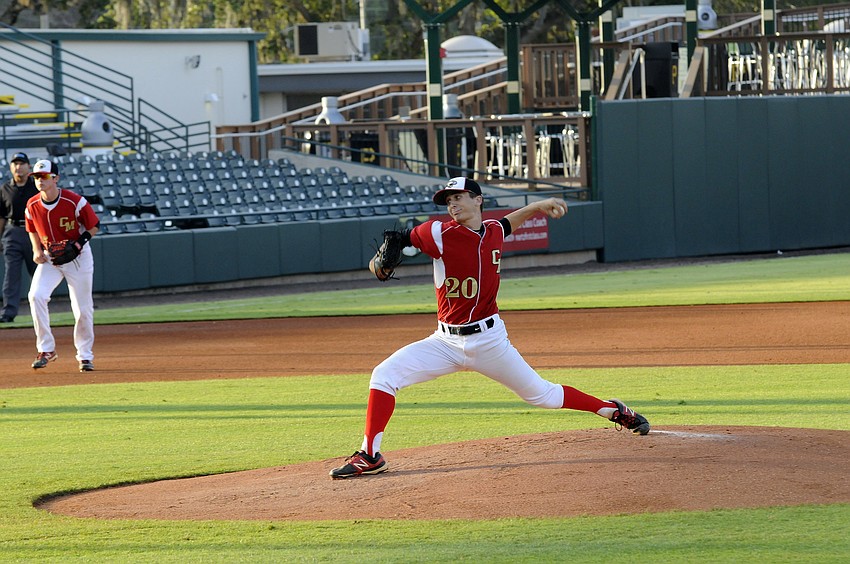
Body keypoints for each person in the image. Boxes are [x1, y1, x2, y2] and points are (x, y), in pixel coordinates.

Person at [329, 177, 650, 479]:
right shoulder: (440, 233)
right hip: (444, 342)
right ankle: (371, 455)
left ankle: (613, 410)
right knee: (384, 375)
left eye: (458, 198)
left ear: (478, 200)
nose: (452, 205)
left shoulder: (494, 229)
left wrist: (539, 206)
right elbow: (401, 238)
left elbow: (509, 223)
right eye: (448, 201)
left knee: (543, 395)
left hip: (489, 341)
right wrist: (381, 260)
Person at [25, 159, 100, 372]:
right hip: (51, 257)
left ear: (56, 178)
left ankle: (85, 356)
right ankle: (46, 349)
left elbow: (95, 225)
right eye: (37, 177)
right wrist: (36, 249)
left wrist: (78, 244)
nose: (40, 180)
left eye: (44, 176)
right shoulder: (32, 204)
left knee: (82, 309)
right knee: (36, 295)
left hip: (78, 257)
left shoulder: (73, 201)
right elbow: (31, 227)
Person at [0, 152, 38, 322]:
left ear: (28, 167)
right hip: (12, 230)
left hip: (34, 234)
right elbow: (1, 216)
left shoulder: (36, 187)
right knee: (11, 275)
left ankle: (41, 311)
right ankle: (8, 313)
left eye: (22, 163)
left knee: (38, 275)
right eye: (15, 163)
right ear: (10, 167)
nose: (18, 167)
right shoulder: (5, 188)